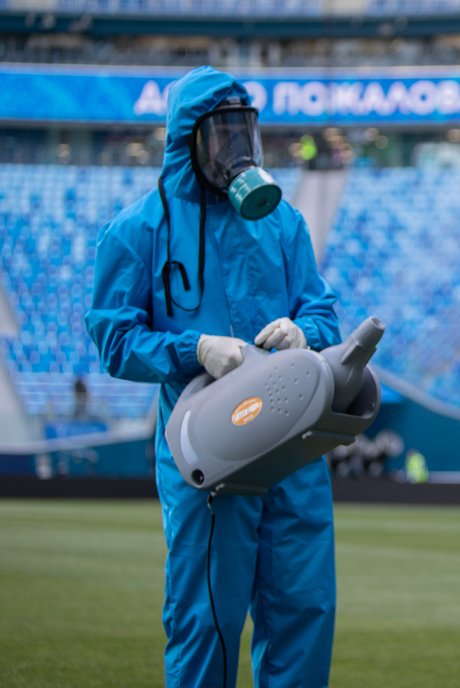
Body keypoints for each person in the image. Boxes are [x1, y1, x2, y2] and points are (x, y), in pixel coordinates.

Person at [86, 66, 341, 688]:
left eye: (243, 130)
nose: (235, 147)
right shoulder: (137, 231)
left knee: (304, 609)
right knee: (206, 618)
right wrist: (194, 348)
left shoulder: (281, 223)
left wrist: (304, 332)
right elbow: (116, 340)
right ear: (187, 139)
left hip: (293, 449)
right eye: (220, 132)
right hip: (208, 447)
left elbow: (322, 312)